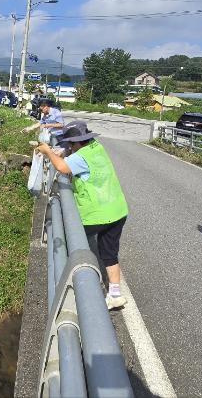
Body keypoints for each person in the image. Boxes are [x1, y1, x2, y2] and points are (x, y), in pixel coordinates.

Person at [36, 120, 130, 310]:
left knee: (74, 242)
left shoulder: (81, 157)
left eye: (71, 143)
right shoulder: (96, 147)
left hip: (97, 214)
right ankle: (115, 294)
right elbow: (74, 158)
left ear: (79, 142)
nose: (69, 146)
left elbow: (62, 167)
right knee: (110, 253)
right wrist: (65, 152)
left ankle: (80, 285)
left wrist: (47, 151)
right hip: (117, 210)